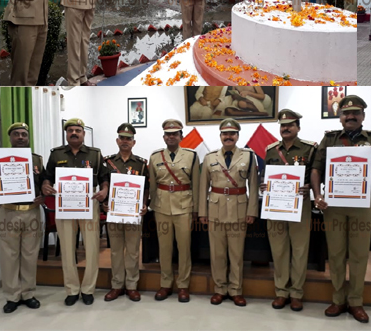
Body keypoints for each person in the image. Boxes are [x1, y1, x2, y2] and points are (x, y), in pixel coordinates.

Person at [311, 94, 371, 322]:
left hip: (361, 206)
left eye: (355, 113)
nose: (351, 116)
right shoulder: (330, 139)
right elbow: (316, 169)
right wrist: (317, 195)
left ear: (363, 116)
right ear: (340, 118)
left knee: (358, 255)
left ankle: (355, 302)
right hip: (333, 205)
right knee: (335, 254)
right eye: (346, 113)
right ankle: (338, 300)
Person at [41, 118, 108, 305]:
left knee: (92, 248)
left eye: (78, 130)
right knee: (68, 249)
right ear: (66, 133)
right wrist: (46, 186)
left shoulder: (95, 154)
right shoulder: (56, 154)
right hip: (65, 205)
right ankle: (71, 290)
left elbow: (104, 178)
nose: (74, 133)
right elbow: (47, 177)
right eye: (70, 130)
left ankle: (88, 289)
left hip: (89, 205)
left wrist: (104, 190)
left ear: (83, 133)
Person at [198, 119, 259, 307]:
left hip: (239, 210)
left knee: (236, 254)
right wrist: (202, 212)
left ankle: (236, 290)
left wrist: (252, 211)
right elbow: (203, 187)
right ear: (220, 136)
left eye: (232, 133)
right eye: (225, 134)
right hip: (215, 210)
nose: (228, 136)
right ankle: (219, 289)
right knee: (217, 254)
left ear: (237, 136)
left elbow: (254, 186)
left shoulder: (248, 156)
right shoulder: (210, 157)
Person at [0, 123, 44, 313]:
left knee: (30, 254)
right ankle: (12, 296)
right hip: (8, 212)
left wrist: (43, 195)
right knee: (9, 256)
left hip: (32, 211)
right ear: (10, 138)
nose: (20, 137)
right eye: (16, 134)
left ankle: (28, 293)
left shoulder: (37, 160)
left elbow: (44, 184)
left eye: (24, 134)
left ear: (28, 138)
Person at [261, 109, 315, 312]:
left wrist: (309, 187)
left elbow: (316, 175)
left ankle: (296, 294)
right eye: (283, 126)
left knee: (300, 251)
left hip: (300, 205)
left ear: (298, 128)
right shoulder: (271, 150)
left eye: (290, 125)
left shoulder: (310, 149)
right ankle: (281, 292)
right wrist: (263, 186)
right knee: (279, 249)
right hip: (275, 206)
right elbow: (267, 176)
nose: (286, 128)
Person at [147, 119, 199, 303]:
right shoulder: (155, 157)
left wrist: (197, 209)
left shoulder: (191, 156)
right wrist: (151, 206)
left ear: (181, 136)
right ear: (163, 136)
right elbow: (153, 185)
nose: (171, 137)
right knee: (165, 248)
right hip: (161, 207)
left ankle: (183, 285)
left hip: (184, 206)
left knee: (184, 248)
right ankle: (166, 283)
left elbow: (196, 184)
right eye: (168, 134)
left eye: (174, 134)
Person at [103, 124, 149, 302]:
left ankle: (131, 285)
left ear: (133, 142)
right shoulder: (107, 162)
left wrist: (144, 204)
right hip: (113, 213)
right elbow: (103, 184)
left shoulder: (141, 164)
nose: (125, 141)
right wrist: (104, 205)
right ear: (117, 140)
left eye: (128, 138)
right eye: (122, 138)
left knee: (132, 251)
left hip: (133, 214)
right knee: (115, 251)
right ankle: (116, 285)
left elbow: (146, 188)